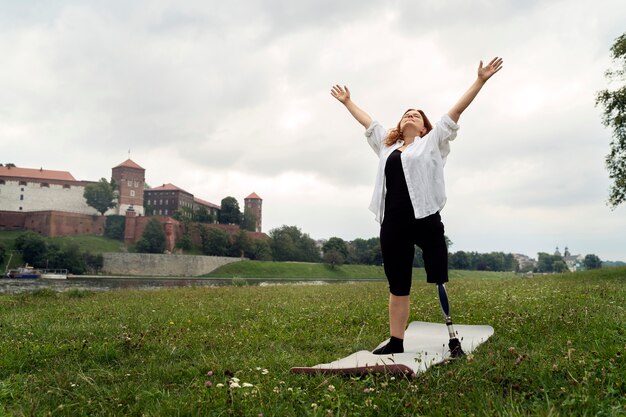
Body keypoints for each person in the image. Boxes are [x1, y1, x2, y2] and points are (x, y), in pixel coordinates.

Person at [331, 57, 503, 356]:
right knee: (398, 284)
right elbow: (368, 123)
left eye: (416, 115)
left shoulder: (432, 141)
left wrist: (481, 80)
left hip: (425, 219)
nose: (410, 116)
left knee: (438, 275)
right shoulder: (387, 148)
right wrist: (348, 102)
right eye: (406, 114)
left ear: (424, 127)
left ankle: (452, 334)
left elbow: (457, 111)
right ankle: (396, 341)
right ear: (400, 125)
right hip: (393, 223)